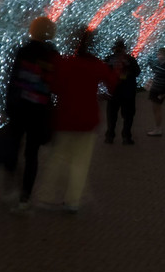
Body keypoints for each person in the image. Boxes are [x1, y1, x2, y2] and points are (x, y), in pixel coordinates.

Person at [39, 27, 118, 212]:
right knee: (80, 162)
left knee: (57, 158)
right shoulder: (97, 65)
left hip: (65, 117)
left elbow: (53, 86)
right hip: (87, 119)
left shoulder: (65, 63)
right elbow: (113, 84)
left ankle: (46, 195)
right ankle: (73, 201)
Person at [3, 16, 59, 213]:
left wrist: (7, 106)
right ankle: (24, 199)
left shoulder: (23, 50)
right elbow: (55, 83)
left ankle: (12, 185)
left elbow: (13, 79)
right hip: (40, 110)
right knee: (31, 154)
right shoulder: (53, 54)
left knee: (13, 147)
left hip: (20, 107)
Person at [104, 38, 141, 145]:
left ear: (114, 48)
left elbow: (104, 74)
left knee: (111, 115)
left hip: (113, 91)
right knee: (128, 116)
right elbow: (137, 72)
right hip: (128, 91)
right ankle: (126, 137)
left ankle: (109, 137)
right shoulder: (130, 59)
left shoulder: (109, 59)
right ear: (124, 48)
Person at [146, 47, 165, 136]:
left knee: (157, 109)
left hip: (158, 90)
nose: (158, 56)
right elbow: (155, 70)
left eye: (160, 54)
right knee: (156, 109)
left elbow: (164, 79)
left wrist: (163, 93)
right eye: (158, 54)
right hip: (156, 89)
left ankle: (158, 129)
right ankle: (157, 128)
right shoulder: (162, 64)